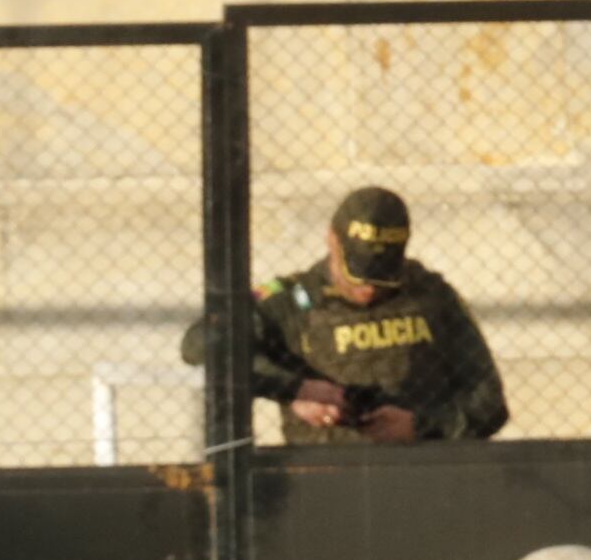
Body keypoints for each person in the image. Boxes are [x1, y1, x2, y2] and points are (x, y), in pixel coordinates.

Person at [180, 186, 508, 443]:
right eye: (357, 276)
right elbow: (199, 345)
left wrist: (419, 427)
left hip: (420, 478)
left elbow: (490, 405)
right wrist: (294, 389)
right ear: (332, 241)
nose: (367, 290)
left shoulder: (432, 296)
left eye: (379, 279)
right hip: (321, 484)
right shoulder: (292, 301)